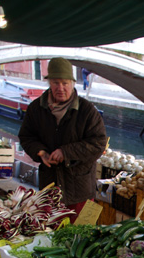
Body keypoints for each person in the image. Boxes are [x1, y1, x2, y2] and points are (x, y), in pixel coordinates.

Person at [18, 57, 107, 220]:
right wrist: (40, 152)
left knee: (80, 238)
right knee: (51, 238)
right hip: (49, 188)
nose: (60, 88)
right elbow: (26, 136)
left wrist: (66, 152)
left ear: (72, 83)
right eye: (55, 83)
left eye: (65, 83)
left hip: (79, 190)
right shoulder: (36, 109)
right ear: (49, 83)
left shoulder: (87, 110)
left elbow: (98, 143)